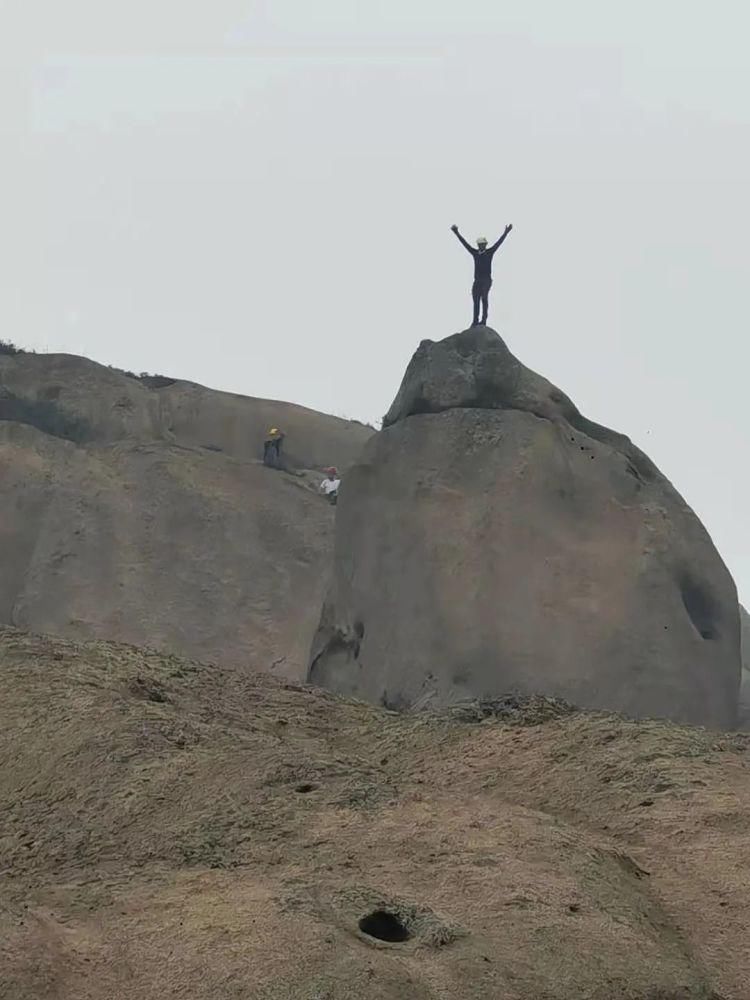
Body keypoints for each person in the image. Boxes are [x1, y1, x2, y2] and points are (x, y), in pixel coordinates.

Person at [451, 223, 513, 327]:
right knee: (476, 301)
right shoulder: (475, 253)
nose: (481, 246)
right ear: (478, 245)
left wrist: (506, 232)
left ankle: (483, 320)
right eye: (480, 244)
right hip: (477, 281)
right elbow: (465, 244)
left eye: (483, 244)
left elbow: (499, 243)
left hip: (486, 280)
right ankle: (475, 321)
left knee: (484, 298)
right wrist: (457, 233)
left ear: (485, 245)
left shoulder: (490, 252)